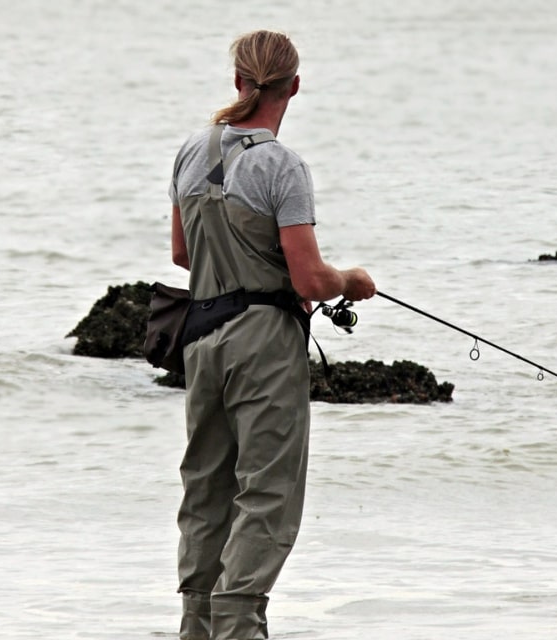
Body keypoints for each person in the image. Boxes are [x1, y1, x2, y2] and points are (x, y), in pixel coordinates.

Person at [167, 30, 377, 640]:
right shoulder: (281, 164)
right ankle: (238, 624)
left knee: (206, 489)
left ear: (238, 81)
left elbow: (183, 255)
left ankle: (196, 626)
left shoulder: (189, 151)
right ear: (295, 86)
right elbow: (311, 278)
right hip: (263, 342)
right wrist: (353, 280)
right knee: (268, 493)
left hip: (201, 340)